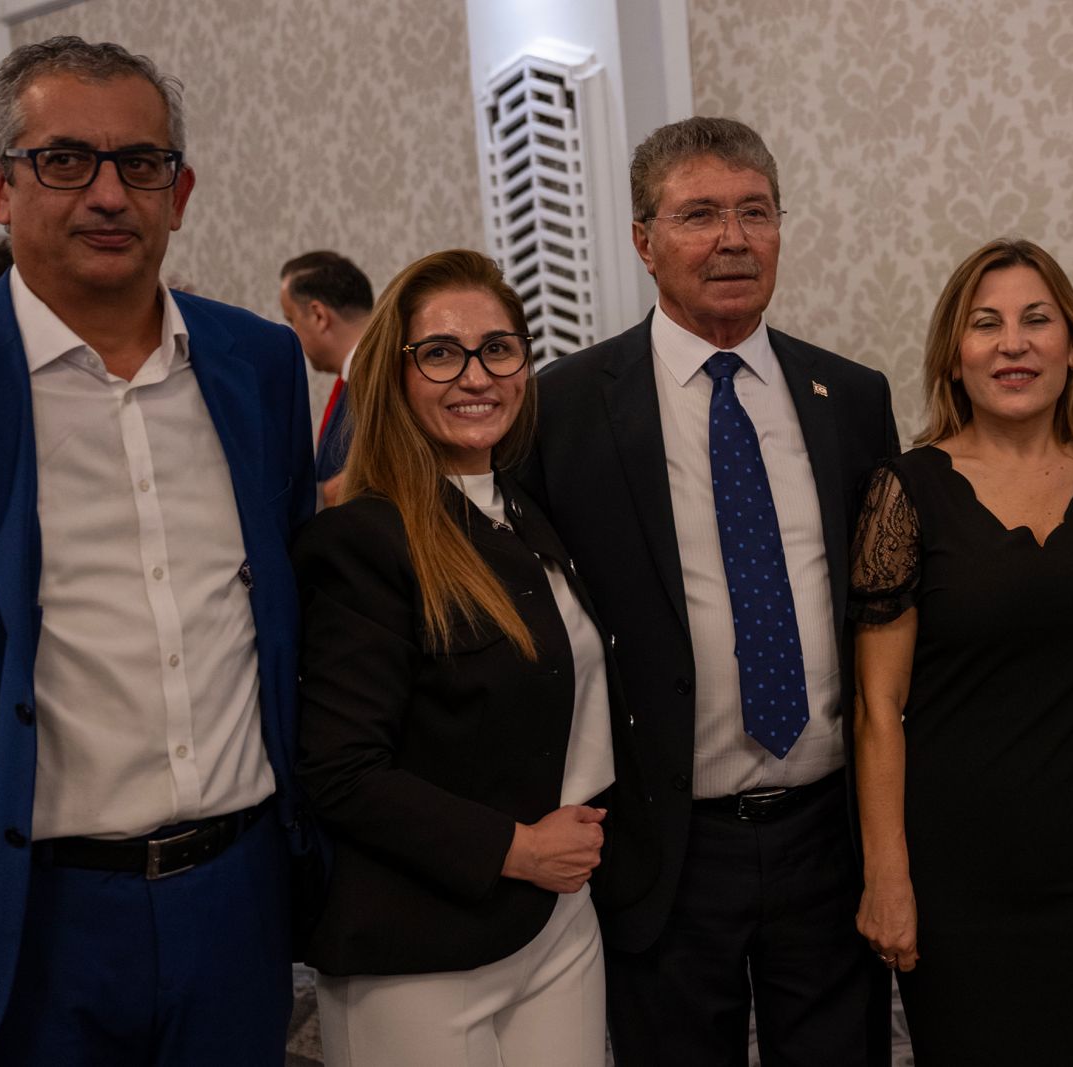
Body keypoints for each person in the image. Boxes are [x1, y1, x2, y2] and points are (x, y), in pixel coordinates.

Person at [0, 35, 316, 1065]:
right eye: (67, 160)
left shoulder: (258, 363)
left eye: (141, 163)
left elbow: (291, 600)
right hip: (32, 913)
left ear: (179, 191)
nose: (109, 194)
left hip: (238, 898)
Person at [520, 116, 899, 1065]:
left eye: (755, 212)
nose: (733, 238)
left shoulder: (852, 397)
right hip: (665, 843)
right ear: (643, 241)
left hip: (828, 832)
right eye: (699, 215)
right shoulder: (564, 408)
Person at [294, 249, 651, 1067]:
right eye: (441, 353)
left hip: (557, 918)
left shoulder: (520, 509)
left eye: (497, 348)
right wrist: (517, 848)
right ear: (395, 373)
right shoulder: (363, 540)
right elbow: (341, 771)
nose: (476, 375)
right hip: (420, 942)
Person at [848, 238, 1073, 1063]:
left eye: (1036, 320)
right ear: (955, 356)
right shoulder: (905, 491)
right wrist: (887, 874)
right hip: (959, 868)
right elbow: (878, 706)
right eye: (985, 324)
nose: (1013, 344)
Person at [279, 250, 373, 507]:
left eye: (292, 321)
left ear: (319, 316)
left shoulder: (380, 383)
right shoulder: (355, 379)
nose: (293, 334)